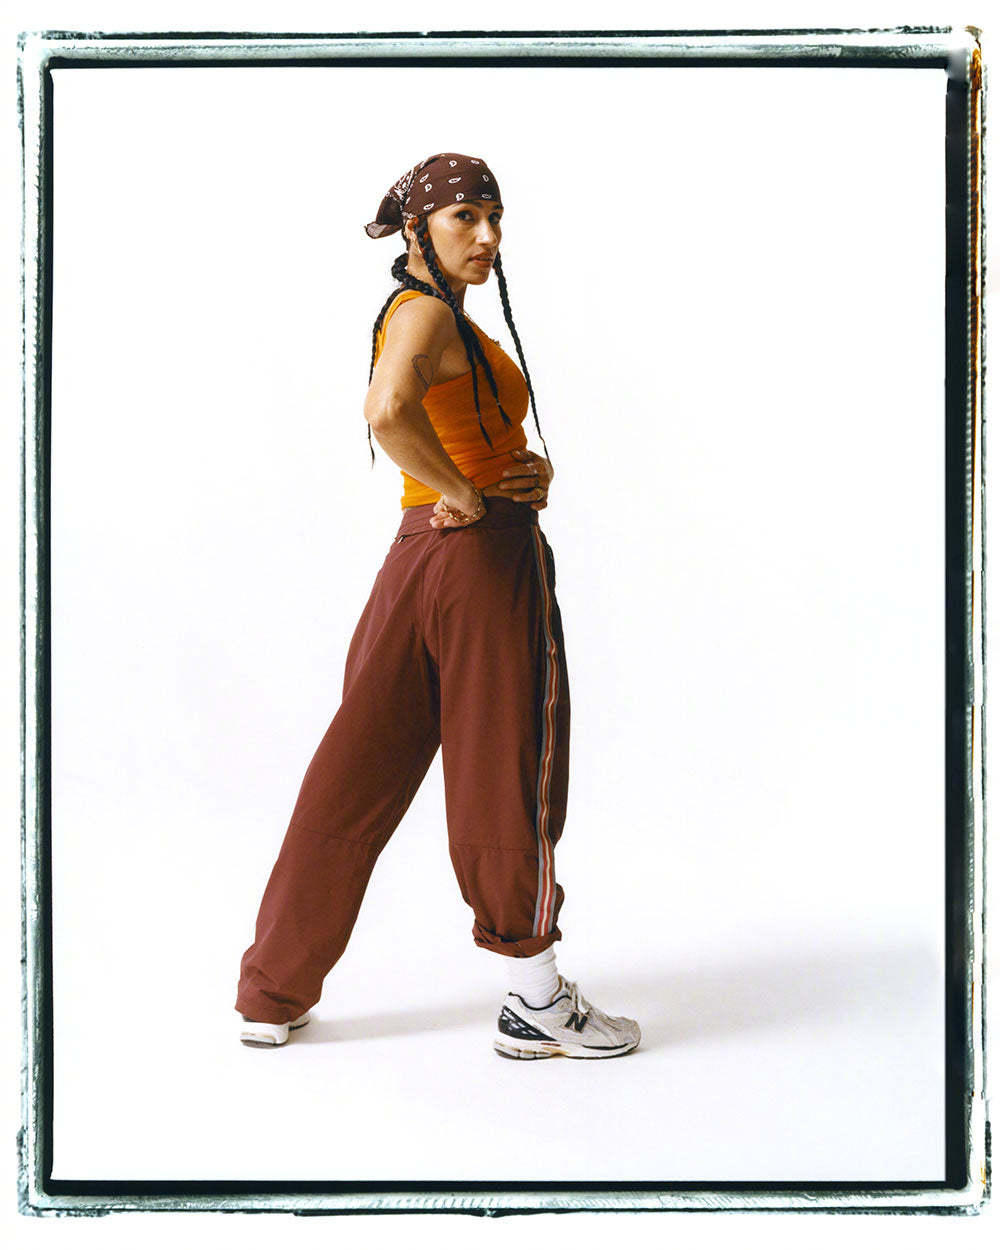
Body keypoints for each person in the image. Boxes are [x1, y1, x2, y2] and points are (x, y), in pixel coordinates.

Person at [234, 152, 640, 1060]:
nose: (488, 236)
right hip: (481, 562)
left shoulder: (425, 314)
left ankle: (271, 991)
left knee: (354, 770)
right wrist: (468, 492)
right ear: (419, 229)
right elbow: (387, 411)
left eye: (496, 217)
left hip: (415, 561)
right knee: (509, 765)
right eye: (466, 217)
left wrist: (519, 469)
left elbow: (447, 423)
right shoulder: (425, 312)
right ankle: (535, 997)